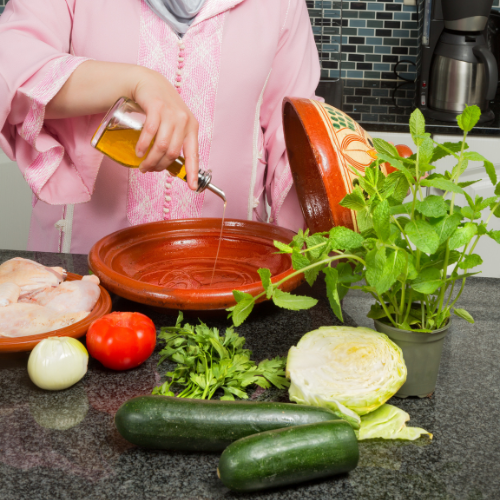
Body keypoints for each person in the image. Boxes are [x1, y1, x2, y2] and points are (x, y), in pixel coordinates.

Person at [0, 0, 320, 254]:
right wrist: (132, 81)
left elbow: (295, 143)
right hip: (83, 277)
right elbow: (9, 68)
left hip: (227, 276)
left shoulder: (283, 5)